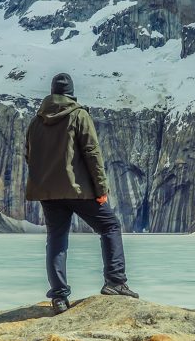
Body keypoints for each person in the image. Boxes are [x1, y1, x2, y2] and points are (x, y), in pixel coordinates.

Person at [25, 72, 138, 314]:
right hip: (78, 190)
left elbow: (29, 156)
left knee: (56, 239)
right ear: (71, 93)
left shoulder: (36, 121)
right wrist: (101, 189)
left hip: (48, 192)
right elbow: (92, 153)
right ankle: (115, 282)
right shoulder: (78, 115)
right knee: (110, 226)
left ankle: (59, 297)